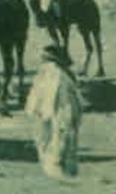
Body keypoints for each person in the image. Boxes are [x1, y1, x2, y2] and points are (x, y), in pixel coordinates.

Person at [25, 43, 83, 181]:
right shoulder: (52, 72)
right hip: (53, 112)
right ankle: (56, 169)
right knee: (55, 139)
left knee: (59, 139)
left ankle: (59, 169)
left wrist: (36, 110)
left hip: (59, 112)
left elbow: (55, 95)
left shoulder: (56, 74)